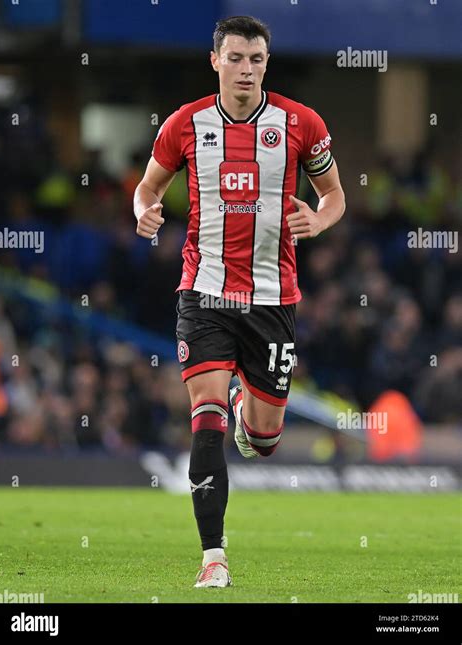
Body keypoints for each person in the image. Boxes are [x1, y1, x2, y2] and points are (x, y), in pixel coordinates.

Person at [134, 15, 345, 588]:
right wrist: (143, 211)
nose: (246, 69)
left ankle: (251, 421)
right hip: (202, 293)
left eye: (256, 59)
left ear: (266, 64)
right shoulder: (185, 124)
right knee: (206, 421)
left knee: (267, 441)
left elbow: (334, 196)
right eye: (236, 58)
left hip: (274, 300)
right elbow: (147, 187)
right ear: (215, 61)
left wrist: (319, 221)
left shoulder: (301, 124)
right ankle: (213, 558)